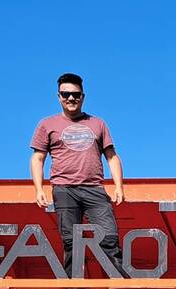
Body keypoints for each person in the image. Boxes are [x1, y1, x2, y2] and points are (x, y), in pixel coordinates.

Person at [29, 72, 124, 274]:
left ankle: (121, 284)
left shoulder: (98, 123)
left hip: (94, 188)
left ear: (83, 96)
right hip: (64, 189)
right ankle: (74, 287)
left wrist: (119, 187)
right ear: (59, 97)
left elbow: (112, 156)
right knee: (71, 241)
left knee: (109, 236)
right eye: (66, 94)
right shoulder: (47, 124)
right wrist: (38, 189)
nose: (71, 98)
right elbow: (38, 158)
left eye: (76, 94)